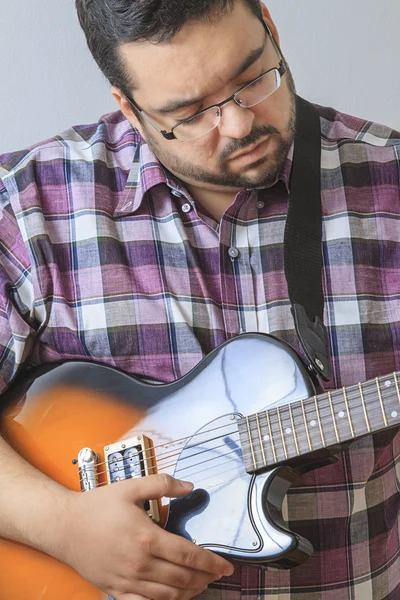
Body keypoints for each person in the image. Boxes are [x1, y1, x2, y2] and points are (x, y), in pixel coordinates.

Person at [0, 0, 399, 599]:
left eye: (252, 77)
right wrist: (64, 529)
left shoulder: (390, 181)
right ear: (128, 107)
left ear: (270, 24)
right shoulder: (27, 207)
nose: (239, 124)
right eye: (187, 112)